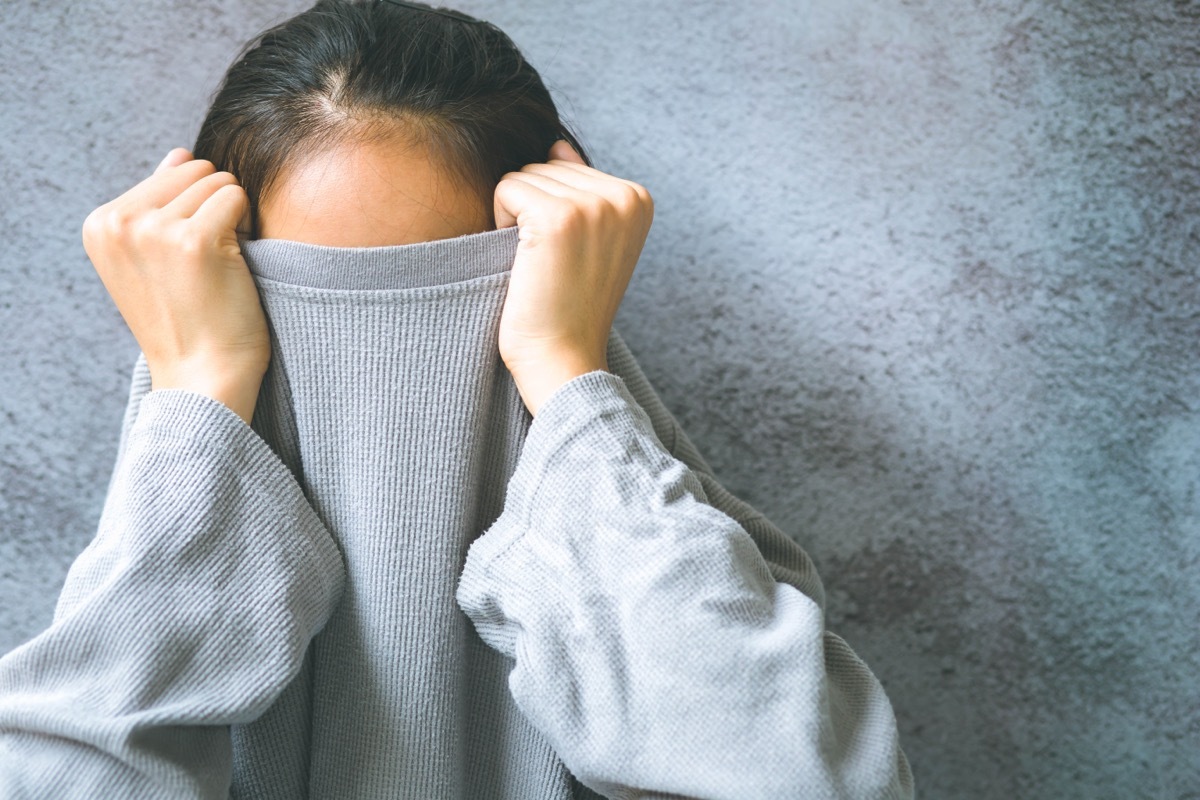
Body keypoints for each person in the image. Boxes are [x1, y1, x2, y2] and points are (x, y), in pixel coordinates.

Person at [0, 1, 916, 798]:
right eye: (305, 318)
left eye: (444, 311)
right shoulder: (187, 459)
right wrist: (201, 403)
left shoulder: (678, 557)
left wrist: (563, 372)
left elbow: (805, 780)